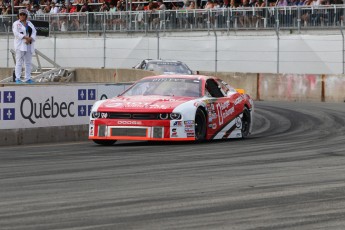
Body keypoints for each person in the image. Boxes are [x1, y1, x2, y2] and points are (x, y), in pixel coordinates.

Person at [12, 9, 37, 84]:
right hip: (20, 45)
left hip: (29, 44)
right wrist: (25, 37)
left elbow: (34, 32)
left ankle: (28, 78)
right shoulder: (16, 23)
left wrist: (30, 39)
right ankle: (18, 78)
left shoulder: (30, 23)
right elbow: (16, 33)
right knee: (19, 62)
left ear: (26, 16)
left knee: (28, 62)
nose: (22, 16)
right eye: (21, 14)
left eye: (23, 14)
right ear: (18, 15)